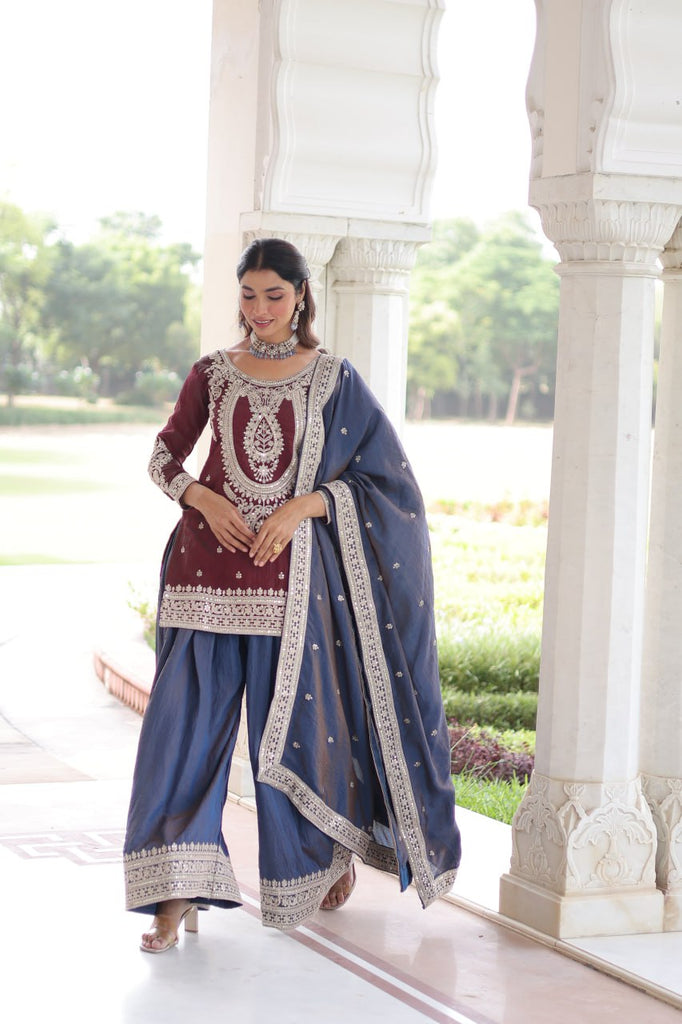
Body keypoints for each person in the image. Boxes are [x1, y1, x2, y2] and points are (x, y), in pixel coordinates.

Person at [123, 237, 461, 953]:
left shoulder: (334, 379)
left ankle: (320, 858)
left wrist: (304, 506)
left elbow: (387, 485)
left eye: (275, 295)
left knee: (303, 735)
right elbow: (162, 454)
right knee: (181, 739)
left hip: (293, 587)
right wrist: (201, 498)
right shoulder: (211, 374)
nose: (260, 310)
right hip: (203, 584)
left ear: (302, 296)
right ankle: (172, 897)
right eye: (248, 295)